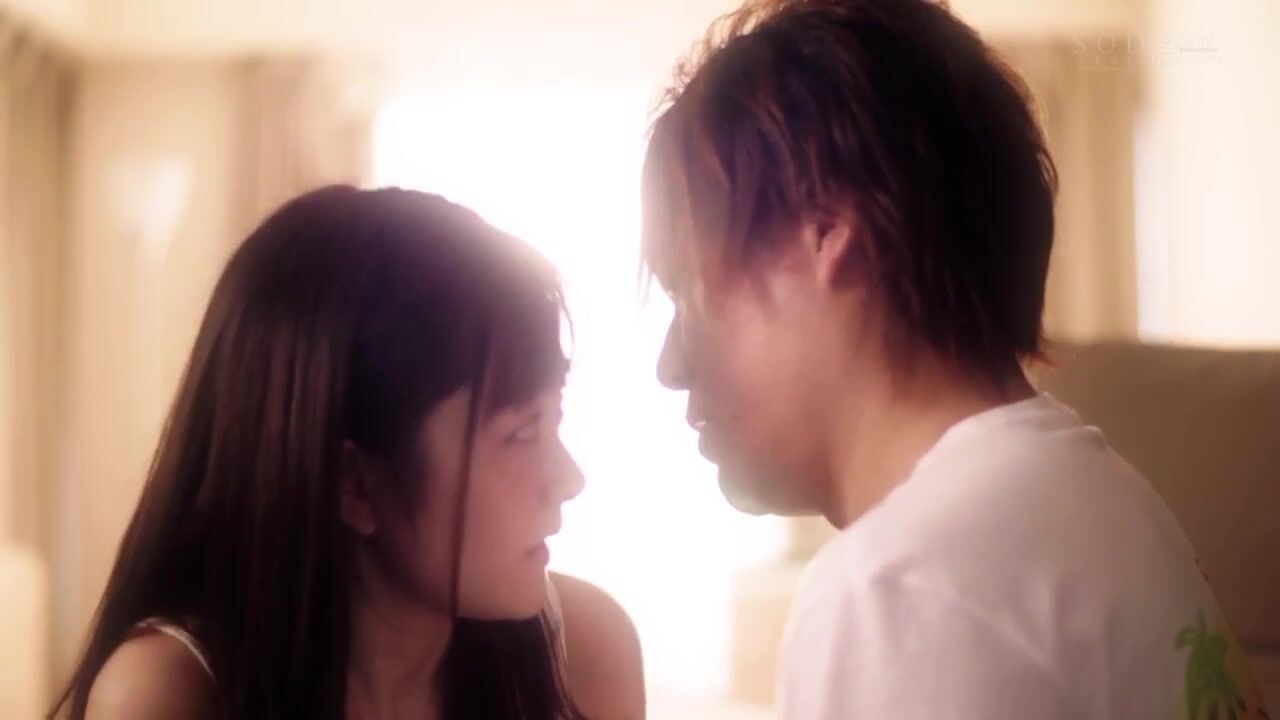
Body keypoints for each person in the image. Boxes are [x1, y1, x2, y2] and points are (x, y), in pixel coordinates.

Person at [643, 1, 1268, 718]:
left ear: (826, 234)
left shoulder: (898, 590)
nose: (670, 365)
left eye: (687, 292)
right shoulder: (1111, 500)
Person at [51, 187, 644, 720]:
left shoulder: (584, 652)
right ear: (354, 482)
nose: (568, 478)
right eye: (520, 433)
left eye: (554, 420)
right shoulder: (170, 692)